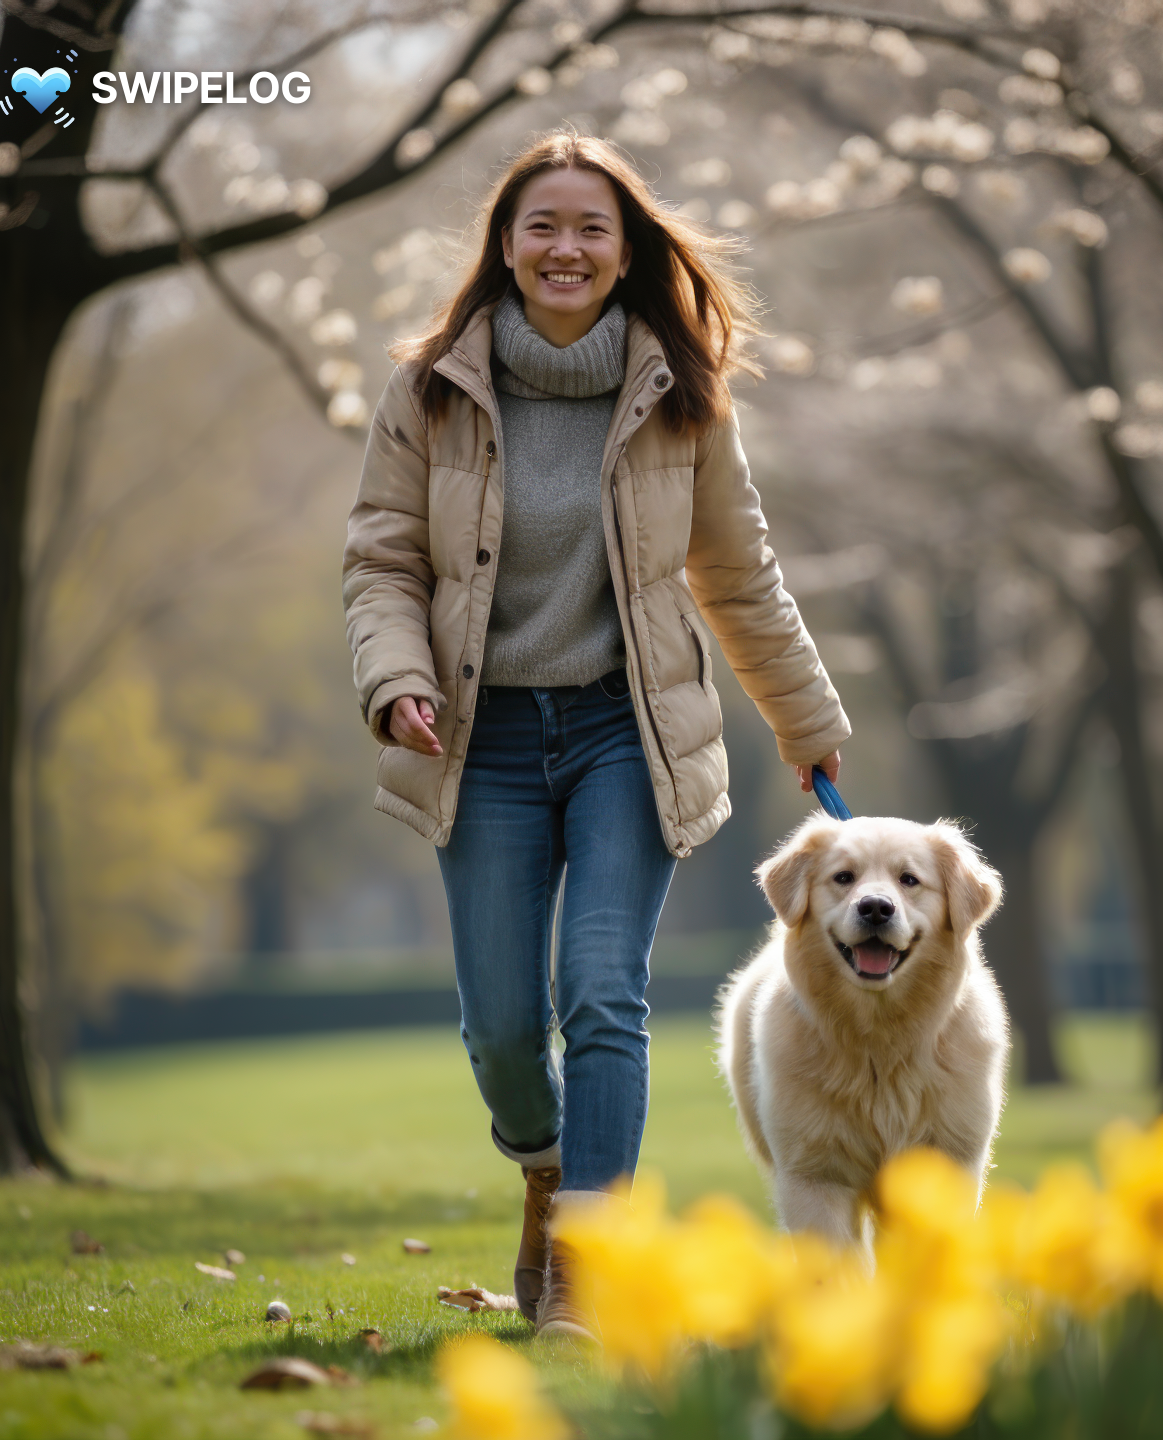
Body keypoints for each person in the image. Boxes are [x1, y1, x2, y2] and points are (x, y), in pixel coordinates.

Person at [342, 130, 849, 1337]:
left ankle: (592, 1265)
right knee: (507, 1029)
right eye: (542, 226)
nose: (565, 247)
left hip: (629, 734)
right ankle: (543, 1167)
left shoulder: (682, 396)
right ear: (506, 248)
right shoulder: (430, 391)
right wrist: (396, 680)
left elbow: (740, 574)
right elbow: (379, 561)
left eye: (591, 230)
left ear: (626, 257)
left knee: (604, 993)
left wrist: (808, 717)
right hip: (485, 739)